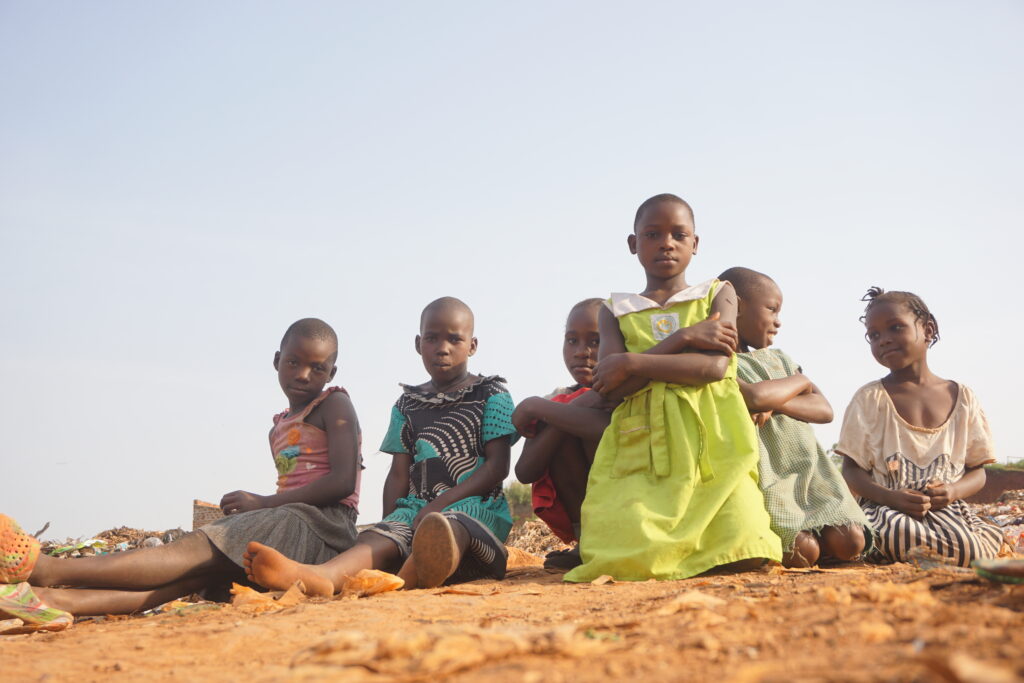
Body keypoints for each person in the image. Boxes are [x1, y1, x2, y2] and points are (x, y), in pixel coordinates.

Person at [0, 318, 362, 625]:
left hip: (324, 527)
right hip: (292, 520)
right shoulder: (278, 427)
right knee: (187, 576)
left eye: (317, 368)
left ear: (331, 372)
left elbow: (343, 481)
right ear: (276, 360)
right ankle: (48, 600)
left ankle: (46, 570)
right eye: (293, 362)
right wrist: (267, 505)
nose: (303, 374)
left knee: (194, 549)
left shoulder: (334, 403)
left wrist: (264, 503)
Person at [564, 194, 782, 583]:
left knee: (744, 548)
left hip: (712, 441)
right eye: (652, 234)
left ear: (695, 244)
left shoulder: (718, 293)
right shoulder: (614, 310)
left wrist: (632, 362)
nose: (666, 242)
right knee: (625, 556)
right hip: (643, 443)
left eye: (678, 234)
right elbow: (611, 387)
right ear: (634, 245)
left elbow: (714, 368)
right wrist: (685, 337)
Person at [245, 297, 518, 594]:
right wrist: (391, 526)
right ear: (418, 343)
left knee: (448, 527)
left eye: (455, 339)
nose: (443, 348)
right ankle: (323, 576)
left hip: (475, 509)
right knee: (375, 540)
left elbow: (497, 466)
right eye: (432, 338)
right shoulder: (407, 404)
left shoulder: (492, 394)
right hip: (415, 510)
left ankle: (416, 570)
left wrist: (441, 503)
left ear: (473, 345)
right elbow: (399, 474)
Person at [837, 287, 1002, 567]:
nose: (884, 340)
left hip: (948, 511)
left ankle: (935, 556)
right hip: (887, 509)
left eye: (895, 327)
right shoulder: (869, 399)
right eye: (874, 335)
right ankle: (923, 555)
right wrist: (891, 497)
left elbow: (978, 472)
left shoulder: (963, 398)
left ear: (928, 329)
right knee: (895, 534)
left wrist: (952, 491)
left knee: (970, 545)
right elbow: (851, 471)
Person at [721, 266, 868, 567]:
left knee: (852, 541)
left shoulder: (782, 360)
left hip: (811, 471)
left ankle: (824, 539)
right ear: (736, 305)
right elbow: (755, 398)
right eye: (772, 309)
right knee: (804, 554)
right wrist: (797, 385)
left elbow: (823, 410)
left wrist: (782, 400)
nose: (778, 321)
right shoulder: (719, 362)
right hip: (770, 476)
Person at [512, 299, 612, 569]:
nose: (582, 352)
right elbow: (524, 471)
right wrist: (567, 407)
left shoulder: (628, 396)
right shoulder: (554, 400)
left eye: (595, 341)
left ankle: (611, 538)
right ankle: (587, 542)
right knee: (563, 424)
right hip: (585, 523)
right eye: (572, 340)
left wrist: (544, 409)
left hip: (629, 508)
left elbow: (605, 431)